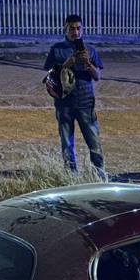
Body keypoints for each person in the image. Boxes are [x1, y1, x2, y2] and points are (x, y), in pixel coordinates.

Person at [43, 13, 107, 180]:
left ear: (82, 29)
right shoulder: (57, 49)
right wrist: (66, 64)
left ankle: (99, 174)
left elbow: (97, 76)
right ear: (65, 29)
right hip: (64, 104)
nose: (75, 32)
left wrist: (88, 63)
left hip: (86, 102)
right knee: (67, 142)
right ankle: (71, 176)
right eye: (72, 28)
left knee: (94, 141)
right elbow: (49, 74)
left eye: (78, 28)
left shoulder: (90, 50)